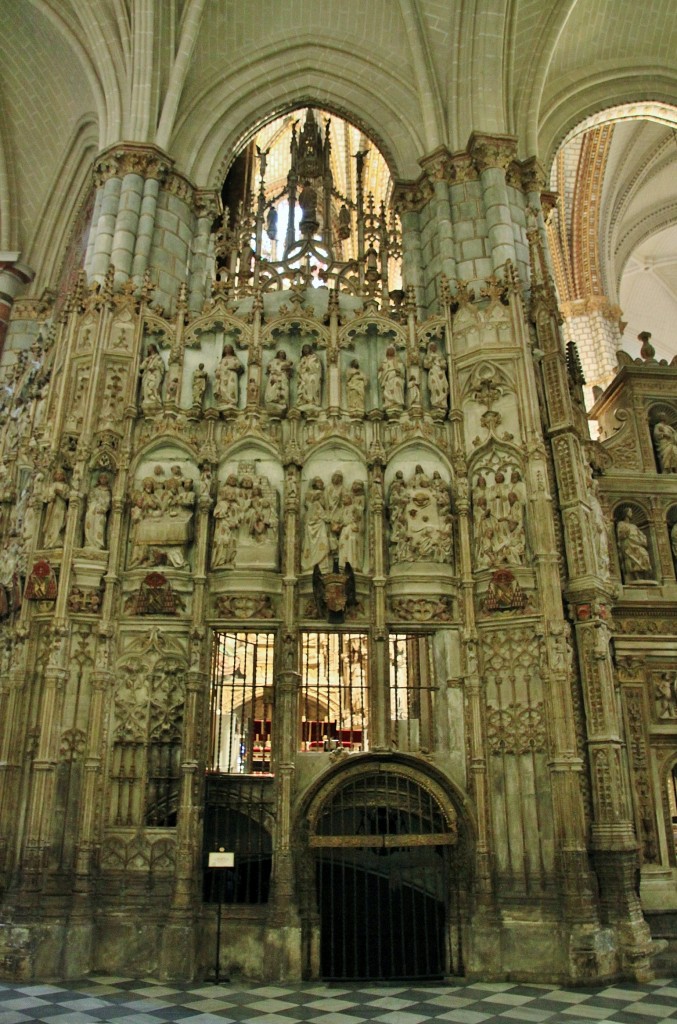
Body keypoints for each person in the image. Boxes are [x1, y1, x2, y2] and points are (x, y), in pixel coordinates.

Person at [616, 508, 653, 582]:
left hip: (637, 543)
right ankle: (636, 578)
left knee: (644, 555)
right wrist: (625, 532)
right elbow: (620, 535)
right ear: (626, 514)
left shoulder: (634, 526)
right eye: (630, 512)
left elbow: (640, 534)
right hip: (629, 544)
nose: (631, 513)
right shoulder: (621, 524)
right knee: (633, 560)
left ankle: (645, 577)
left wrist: (642, 539)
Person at [42, 469, 70, 549]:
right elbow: (45, 496)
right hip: (52, 507)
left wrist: (60, 493)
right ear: (54, 476)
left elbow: (68, 496)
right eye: (57, 474)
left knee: (59, 523)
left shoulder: (65, 486)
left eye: (61, 474)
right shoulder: (51, 485)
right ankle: (49, 542)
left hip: (60, 506)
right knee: (51, 523)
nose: (59, 476)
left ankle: (57, 540)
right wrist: (50, 498)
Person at [84, 473, 111, 550]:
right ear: (99, 479)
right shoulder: (95, 489)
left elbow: (108, 503)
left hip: (100, 511)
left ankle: (98, 543)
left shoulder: (107, 491)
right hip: (92, 510)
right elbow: (90, 499)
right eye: (101, 478)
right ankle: (89, 542)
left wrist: (104, 508)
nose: (103, 479)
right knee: (90, 525)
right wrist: (93, 505)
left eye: (105, 478)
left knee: (99, 527)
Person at [214, 344, 243, 411]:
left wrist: (234, 368)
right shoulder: (222, 360)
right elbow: (218, 368)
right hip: (223, 376)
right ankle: (223, 402)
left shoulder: (234, 359)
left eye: (229, 348)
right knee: (222, 389)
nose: (227, 349)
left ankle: (231, 402)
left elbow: (239, 367)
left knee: (231, 387)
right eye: (226, 348)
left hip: (231, 376)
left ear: (232, 350)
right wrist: (217, 372)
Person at [264, 350, 293, 415]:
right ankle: (272, 400)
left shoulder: (286, 362)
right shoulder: (273, 361)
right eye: (280, 353)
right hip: (274, 377)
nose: (281, 355)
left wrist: (287, 368)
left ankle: (282, 402)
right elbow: (268, 368)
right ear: (278, 354)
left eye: (283, 353)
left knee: (283, 390)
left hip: (283, 378)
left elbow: (289, 372)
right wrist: (274, 371)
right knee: (273, 389)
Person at [378, 346, 405, 412]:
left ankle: (397, 402)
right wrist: (380, 370)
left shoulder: (397, 360)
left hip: (396, 376)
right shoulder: (384, 361)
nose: (390, 351)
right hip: (387, 379)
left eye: (392, 350)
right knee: (388, 388)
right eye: (389, 350)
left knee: (397, 383)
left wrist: (397, 369)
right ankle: (390, 403)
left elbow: (401, 369)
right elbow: (380, 372)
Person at [424, 341, 449, 414]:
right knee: (434, 387)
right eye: (432, 346)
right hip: (433, 373)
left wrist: (442, 365)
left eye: (435, 346)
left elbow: (444, 365)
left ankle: (442, 403)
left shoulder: (440, 356)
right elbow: (426, 365)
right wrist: (431, 360)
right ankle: (435, 402)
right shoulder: (428, 356)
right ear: (429, 348)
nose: (434, 348)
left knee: (442, 387)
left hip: (440, 374)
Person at [296, 344, 322, 411]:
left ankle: (312, 401)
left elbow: (317, 367)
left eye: (307, 348)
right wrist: (301, 368)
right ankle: (305, 401)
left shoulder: (314, 357)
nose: (306, 350)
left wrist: (309, 367)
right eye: (304, 348)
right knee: (304, 387)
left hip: (312, 375)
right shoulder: (302, 359)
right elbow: (298, 369)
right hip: (304, 376)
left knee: (311, 386)